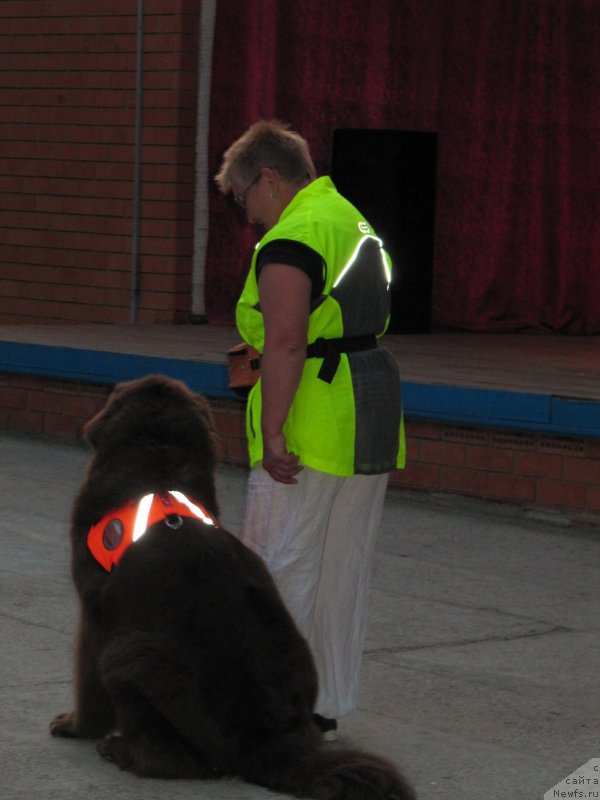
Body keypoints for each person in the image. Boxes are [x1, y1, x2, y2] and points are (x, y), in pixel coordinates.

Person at [215, 120, 405, 740]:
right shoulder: (352, 220)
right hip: (370, 408)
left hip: (312, 418)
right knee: (341, 568)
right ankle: (322, 702)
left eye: (245, 198)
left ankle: (270, 709)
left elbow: (289, 343)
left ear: (269, 179)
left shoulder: (292, 238)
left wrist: (272, 433)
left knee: (278, 564)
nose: (248, 216)